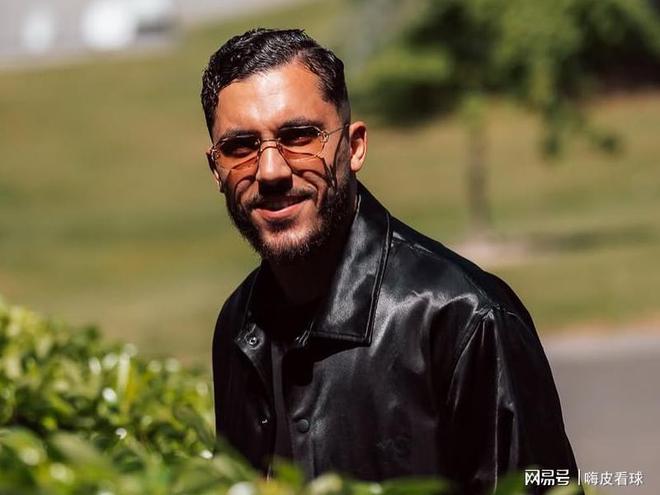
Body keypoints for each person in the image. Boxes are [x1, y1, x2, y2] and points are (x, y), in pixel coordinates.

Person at [200, 28, 578, 494]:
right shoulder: (237, 325)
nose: (271, 170)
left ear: (355, 146)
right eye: (240, 147)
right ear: (216, 169)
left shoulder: (466, 318)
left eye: (299, 136)